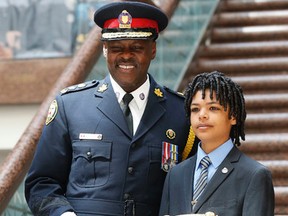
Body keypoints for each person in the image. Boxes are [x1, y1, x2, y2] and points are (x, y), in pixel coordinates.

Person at [25, 2, 197, 216]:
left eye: (136, 48)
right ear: (105, 50)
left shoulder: (181, 112)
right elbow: (41, 183)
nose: (126, 56)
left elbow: (198, 184)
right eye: (117, 48)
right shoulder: (70, 106)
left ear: (152, 50)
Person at [159, 71, 275, 216]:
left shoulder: (254, 175)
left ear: (233, 116)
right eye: (195, 109)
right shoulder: (175, 174)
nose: (202, 115)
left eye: (213, 108)